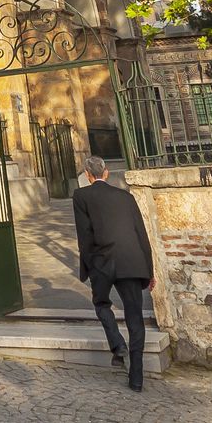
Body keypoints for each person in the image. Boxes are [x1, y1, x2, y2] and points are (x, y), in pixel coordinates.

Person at [73, 154, 155, 392]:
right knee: (135, 318)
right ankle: (137, 378)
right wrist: (149, 271)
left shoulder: (81, 196)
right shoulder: (126, 197)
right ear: (106, 172)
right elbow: (141, 233)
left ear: (88, 176)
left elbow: (84, 235)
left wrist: (88, 266)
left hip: (102, 262)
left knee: (101, 304)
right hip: (132, 260)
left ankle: (118, 345)